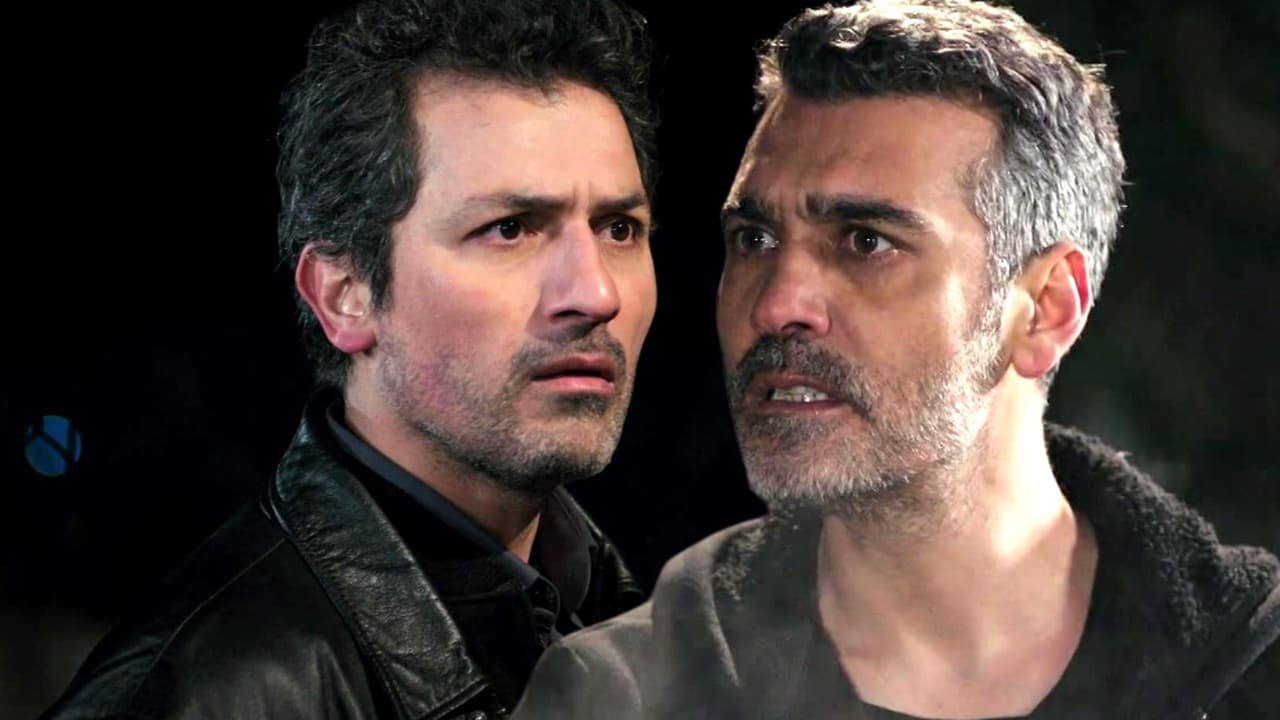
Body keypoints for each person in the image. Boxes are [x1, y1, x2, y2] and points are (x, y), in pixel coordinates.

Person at [514, 1, 1279, 717]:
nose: (776, 305)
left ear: (1046, 307)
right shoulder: (621, 697)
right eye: (755, 239)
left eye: (865, 241)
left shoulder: (1254, 671)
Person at [42, 0, 657, 717]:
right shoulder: (205, 694)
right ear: (344, 296)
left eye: (619, 228)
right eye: (510, 228)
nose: (597, 293)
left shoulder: (628, 618)